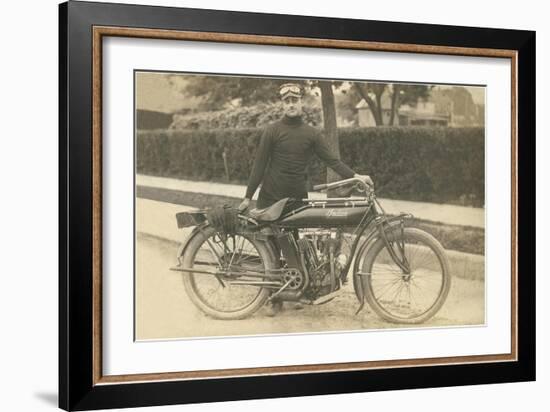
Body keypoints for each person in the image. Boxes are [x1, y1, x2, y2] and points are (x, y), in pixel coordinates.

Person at [238, 82, 373, 316]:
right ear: (283, 104)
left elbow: (332, 160)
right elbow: (259, 165)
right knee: (270, 246)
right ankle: (273, 298)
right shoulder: (272, 130)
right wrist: (248, 197)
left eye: (295, 100)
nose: (291, 104)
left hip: (297, 198)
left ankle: (293, 290)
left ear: (301, 102)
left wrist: (355, 176)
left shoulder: (311, 133)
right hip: (270, 196)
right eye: (287, 101)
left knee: (294, 245)